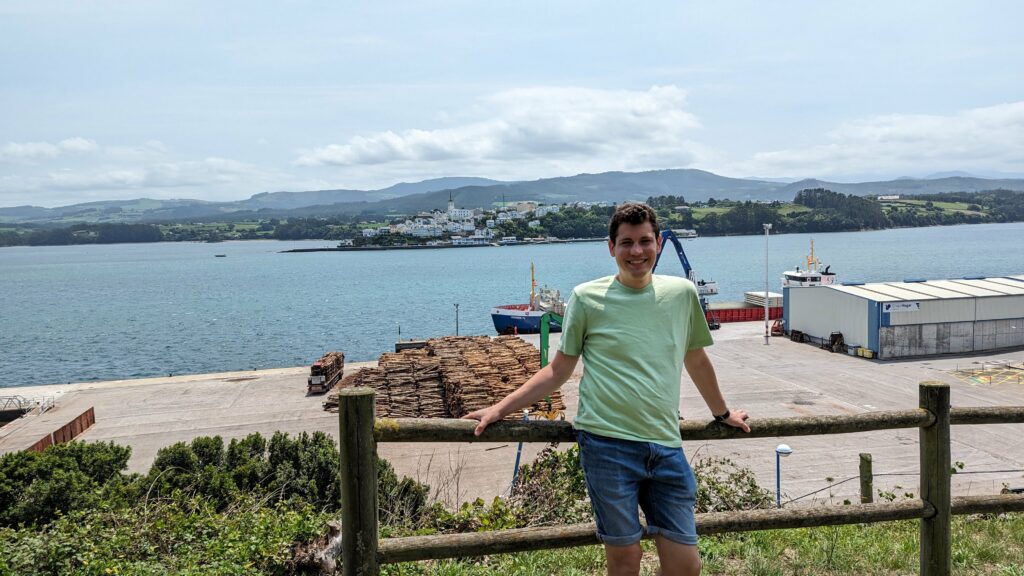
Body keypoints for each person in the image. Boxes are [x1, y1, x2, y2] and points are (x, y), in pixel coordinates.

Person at [465, 202, 750, 576]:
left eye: (645, 241)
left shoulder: (682, 294)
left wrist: (722, 413)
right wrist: (499, 409)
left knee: (686, 565)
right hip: (607, 445)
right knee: (625, 559)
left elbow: (695, 360)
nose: (637, 251)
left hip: (665, 444)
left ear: (659, 242)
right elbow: (558, 370)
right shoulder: (586, 298)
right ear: (611, 247)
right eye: (627, 242)